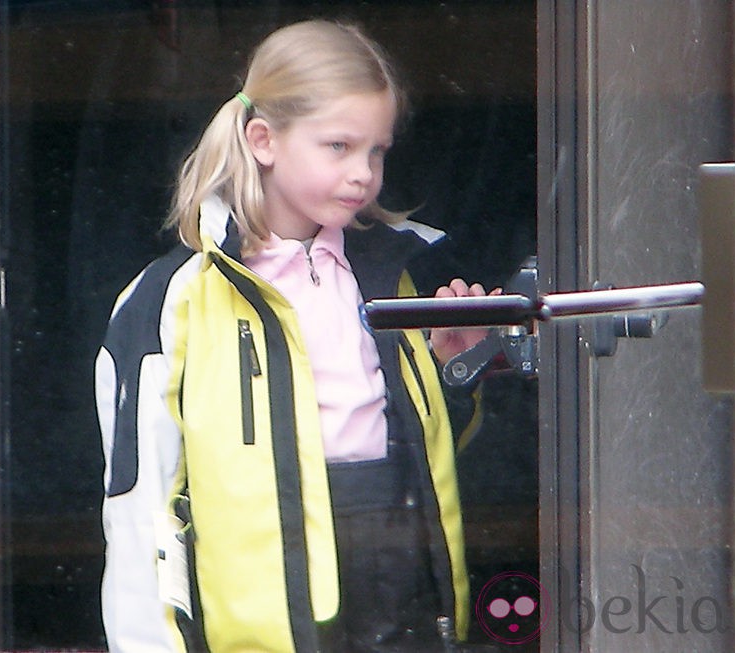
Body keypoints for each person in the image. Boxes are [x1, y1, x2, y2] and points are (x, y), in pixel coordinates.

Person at [95, 19, 495, 652]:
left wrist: (456, 374)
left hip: (402, 590)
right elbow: (140, 503)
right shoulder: (172, 300)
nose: (363, 172)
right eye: (338, 146)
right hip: (259, 623)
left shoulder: (407, 272)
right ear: (263, 139)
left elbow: (430, 449)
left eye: (377, 150)